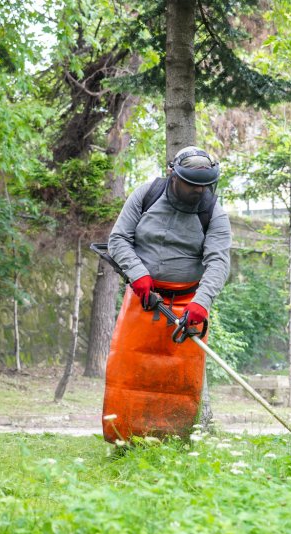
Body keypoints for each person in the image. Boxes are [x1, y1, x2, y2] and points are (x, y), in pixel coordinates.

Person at [102, 146, 232, 443]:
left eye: (205, 185)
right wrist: (138, 274)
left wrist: (202, 303)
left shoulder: (214, 213)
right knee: (130, 374)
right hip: (143, 297)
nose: (198, 190)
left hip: (187, 307)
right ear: (173, 174)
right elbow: (118, 239)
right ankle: (123, 439)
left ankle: (174, 442)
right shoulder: (146, 194)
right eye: (191, 183)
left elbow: (218, 262)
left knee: (178, 383)